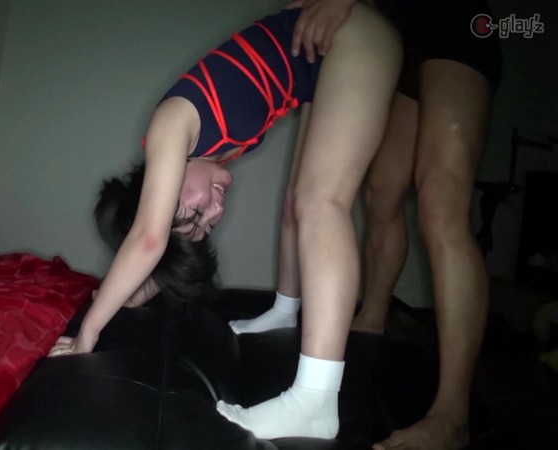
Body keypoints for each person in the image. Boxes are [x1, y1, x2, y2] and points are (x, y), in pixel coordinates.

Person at [49, 1, 402, 441]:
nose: (216, 212)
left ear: (158, 189)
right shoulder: (202, 152)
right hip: (324, 58)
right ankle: (283, 312)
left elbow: (149, 238)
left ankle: (315, 398)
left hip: (353, 34)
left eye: (196, 212)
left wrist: (88, 332)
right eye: (208, 223)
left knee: (321, 202)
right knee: (298, 204)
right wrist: (122, 297)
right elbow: (161, 246)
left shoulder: (169, 127)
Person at [229, 0, 502, 448]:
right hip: (397, 30)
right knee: (381, 194)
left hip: (455, 21)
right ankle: (372, 317)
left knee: (441, 200)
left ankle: (452, 415)